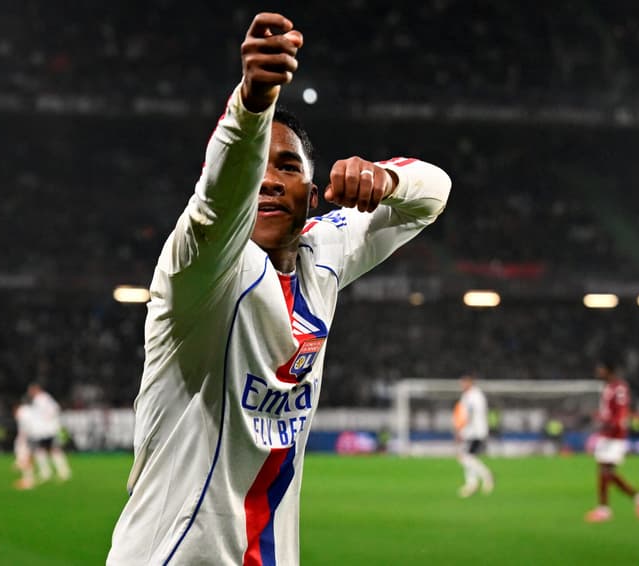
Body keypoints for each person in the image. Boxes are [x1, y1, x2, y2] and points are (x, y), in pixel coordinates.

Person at [107, 12, 451, 565]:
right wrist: (251, 104)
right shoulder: (198, 269)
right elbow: (217, 201)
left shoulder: (323, 253)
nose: (268, 178)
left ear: (312, 195)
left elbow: (433, 193)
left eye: (288, 167)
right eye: (257, 168)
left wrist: (387, 180)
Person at [585, 361, 639, 523]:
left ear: (608, 370)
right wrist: (601, 417)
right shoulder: (607, 388)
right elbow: (611, 412)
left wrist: (614, 423)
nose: (597, 372)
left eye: (600, 369)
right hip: (607, 433)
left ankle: (606, 509)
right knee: (605, 471)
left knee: (606, 471)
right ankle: (636, 499)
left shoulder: (619, 387)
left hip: (615, 436)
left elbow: (622, 411)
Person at [453, 375, 494, 497]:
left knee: (464, 457)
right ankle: (472, 484)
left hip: (475, 432)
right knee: (467, 457)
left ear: (470, 383)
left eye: (464, 383)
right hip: (471, 431)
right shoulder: (470, 395)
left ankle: (486, 475)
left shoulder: (474, 396)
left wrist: (461, 430)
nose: (462, 386)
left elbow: (468, 414)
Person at [26, 383, 72, 483]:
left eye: (30, 391)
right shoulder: (42, 399)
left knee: (49, 450)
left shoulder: (42, 399)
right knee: (45, 450)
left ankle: (58, 472)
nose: (29, 393)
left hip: (47, 430)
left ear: (35, 390)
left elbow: (54, 410)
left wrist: (47, 420)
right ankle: (51, 472)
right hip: (45, 430)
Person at [12, 399, 36, 490]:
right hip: (33, 436)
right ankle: (28, 480)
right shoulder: (30, 411)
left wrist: (23, 438)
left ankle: (28, 482)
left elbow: (26, 427)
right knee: (27, 458)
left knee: (25, 458)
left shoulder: (23, 413)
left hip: (27, 437)